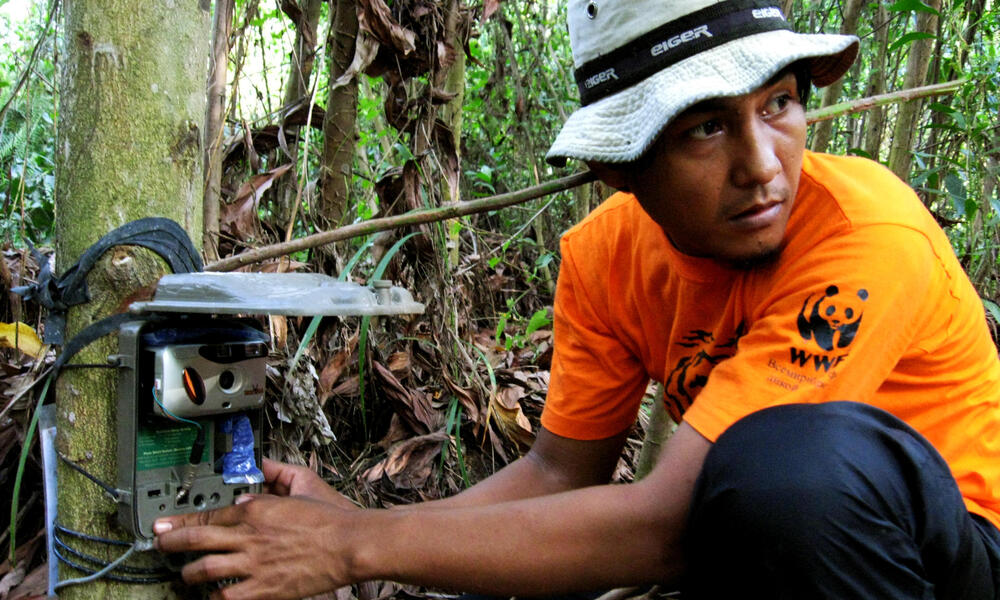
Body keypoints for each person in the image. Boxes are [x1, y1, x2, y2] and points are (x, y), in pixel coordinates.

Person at [154, 0, 1000, 598]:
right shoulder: (605, 259)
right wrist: (360, 530)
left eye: (778, 103)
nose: (763, 165)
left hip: (955, 553)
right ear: (620, 167)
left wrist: (350, 547)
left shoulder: (866, 233)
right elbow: (560, 474)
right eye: (707, 127)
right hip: (787, 556)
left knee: (784, 471)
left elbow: (664, 530)